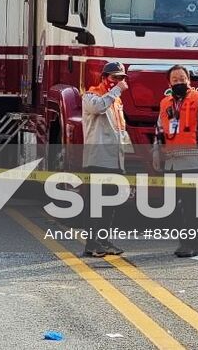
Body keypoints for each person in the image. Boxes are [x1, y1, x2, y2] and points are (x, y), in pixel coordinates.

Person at [154, 65, 198, 258]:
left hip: (193, 161)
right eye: (175, 80)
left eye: (182, 78)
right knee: (174, 205)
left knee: (193, 205)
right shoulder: (165, 102)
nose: (179, 82)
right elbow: (159, 129)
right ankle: (184, 242)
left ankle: (192, 245)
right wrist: (156, 153)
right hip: (172, 161)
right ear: (169, 83)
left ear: (189, 80)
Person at [80, 62, 131, 257]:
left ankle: (103, 240)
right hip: (97, 159)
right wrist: (116, 91)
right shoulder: (92, 95)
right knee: (95, 203)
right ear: (104, 78)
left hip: (115, 160)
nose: (119, 82)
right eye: (115, 78)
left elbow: (120, 131)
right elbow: (98, 108)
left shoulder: (116, 102)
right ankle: (92, 242)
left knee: (110, 203)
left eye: (122, 78)